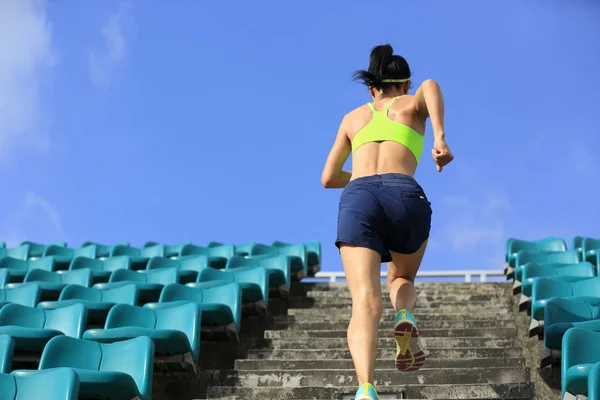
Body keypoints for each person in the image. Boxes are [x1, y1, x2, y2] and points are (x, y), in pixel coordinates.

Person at [320, 44, 454, 400]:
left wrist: (365, 177)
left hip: (359, 196)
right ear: (405, 84)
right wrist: (439, 138)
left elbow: (328, 178)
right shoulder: (412, 104)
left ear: (372, 89)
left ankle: (366, 388)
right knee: (402, 276)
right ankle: (404, 315)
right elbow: (431, 86)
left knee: (364, 301)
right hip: (404, 194)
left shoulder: (352, 118)